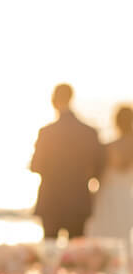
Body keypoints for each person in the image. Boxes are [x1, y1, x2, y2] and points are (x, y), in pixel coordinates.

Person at [31, 83, 104, 238]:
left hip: (52, 199)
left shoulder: (46, 132)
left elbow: (35, 166)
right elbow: (99, 168)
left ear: (54, 99)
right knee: (76, 255)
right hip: (78, 200)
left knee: (50, 252)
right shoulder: (89, 132)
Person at [86, 105, 133, 240]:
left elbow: (95, 174)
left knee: (104, 234)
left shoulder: (107, 146)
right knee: (124, 234)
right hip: (126, 196)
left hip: (106, 195)